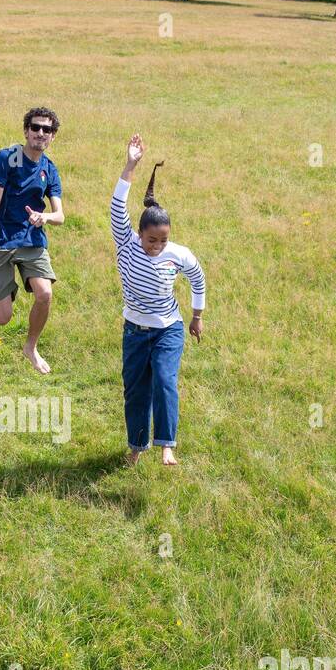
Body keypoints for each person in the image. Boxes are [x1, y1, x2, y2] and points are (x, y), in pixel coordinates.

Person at [111, 134, 207, 466]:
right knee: (135, 389)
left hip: (169, 329)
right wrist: (131, 164)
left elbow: (198, 278)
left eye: (163, 239)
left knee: (165, 381)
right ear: (139, 234)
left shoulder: (178, 254)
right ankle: (137, 448)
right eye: (152, 239)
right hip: (135, 331)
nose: (158, 245)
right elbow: (116, 205)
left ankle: (167, 443)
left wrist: (197, 315)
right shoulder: (126, 243)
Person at [0, 108, 64, 375]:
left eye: (47, 130)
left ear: (52, 136)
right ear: (26, 131)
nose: (40, 133)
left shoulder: (49, 169)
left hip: (31, 240)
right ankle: (6, 287)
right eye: (35, 128)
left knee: (45, 293)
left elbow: (60, 215)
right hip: (1, 241)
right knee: (2, 318)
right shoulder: (7, 159)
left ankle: (30, 348)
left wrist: (44, 217)